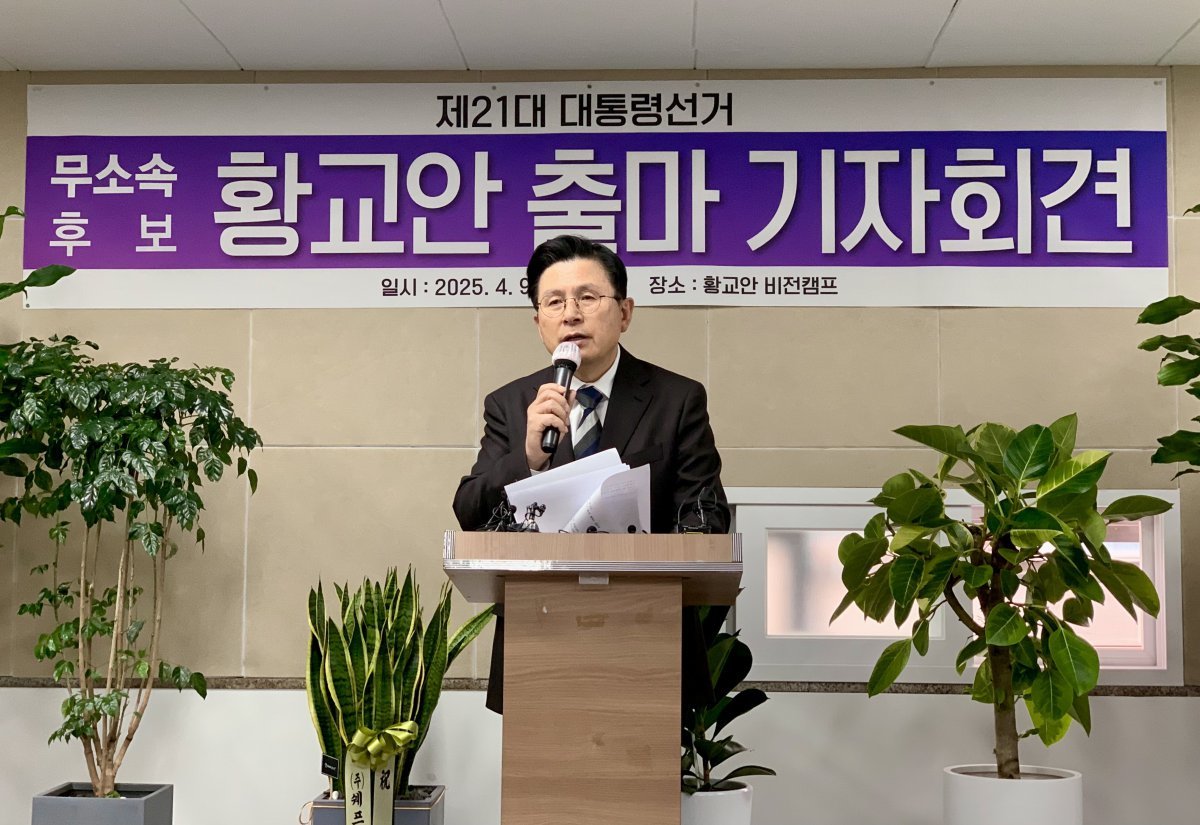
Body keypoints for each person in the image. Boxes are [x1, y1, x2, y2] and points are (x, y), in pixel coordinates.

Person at [453, 234, 730, 713]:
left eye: (587, 297)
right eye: (554, 302)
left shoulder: (677, 399)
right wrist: (527, 459)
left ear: (624, 312)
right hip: (539, 642)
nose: (571, 314)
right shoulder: (511, 405)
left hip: (649, 640)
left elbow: (706, 516)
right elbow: (470, 511)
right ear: (538, 321)